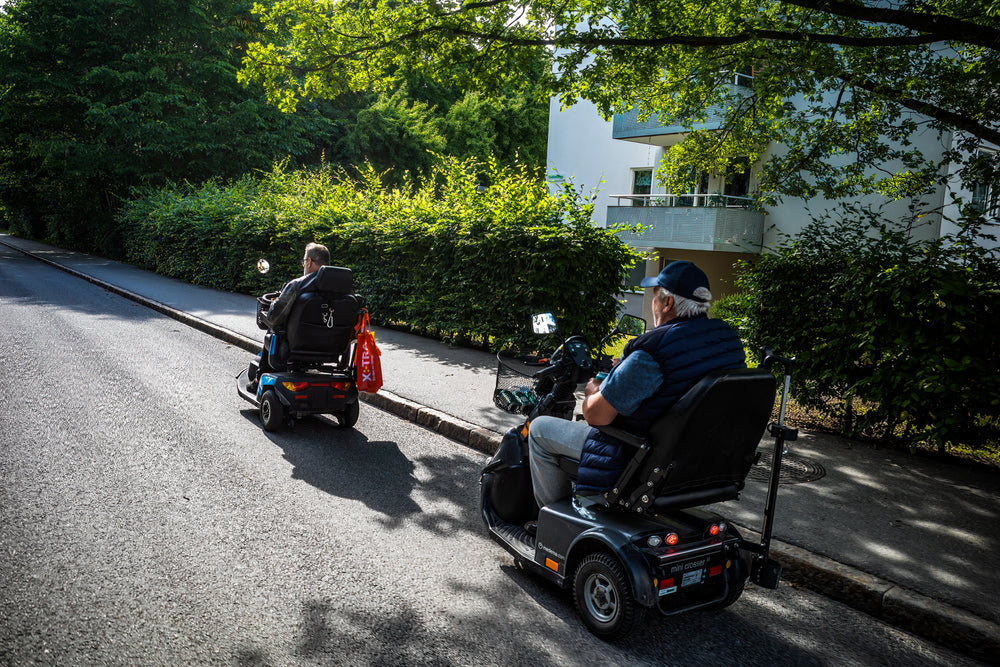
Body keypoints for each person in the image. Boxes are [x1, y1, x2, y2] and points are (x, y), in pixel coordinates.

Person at [527, 260, 746, 509]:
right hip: (697, 457)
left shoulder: (654, 351)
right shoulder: (727, 341)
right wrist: (626, 368)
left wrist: (591, 393)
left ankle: (553, 520)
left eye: (654, 295)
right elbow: (678, 377)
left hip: (638, 453)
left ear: (667, 302)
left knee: (540, 428)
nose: (653, 302)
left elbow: (596, 416)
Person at [248, 242, 330, 389]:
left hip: (298, 345)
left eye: (304, 261)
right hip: (332, 346)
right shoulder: (344, 288)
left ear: (309, 262)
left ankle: (259, 379)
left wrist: (269, 309)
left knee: (273, 329)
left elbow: (274, 316)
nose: (304, 264)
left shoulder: (298, 285)